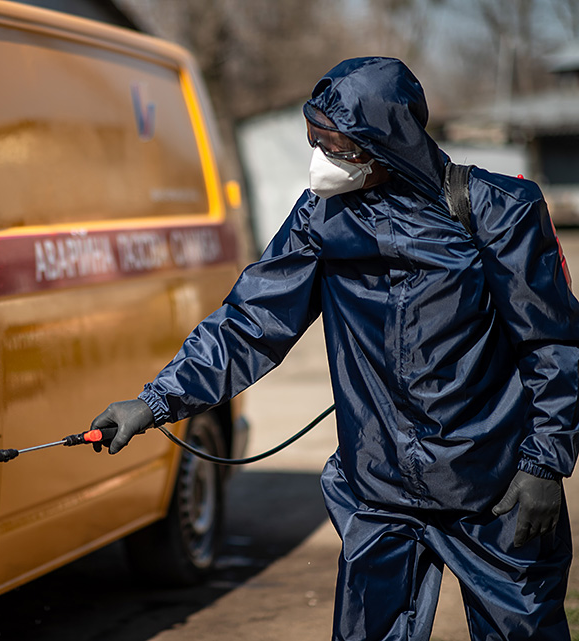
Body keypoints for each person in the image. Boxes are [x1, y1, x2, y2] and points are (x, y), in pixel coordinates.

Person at [91, 57, 579, 640]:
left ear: (386, 144)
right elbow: (250, 322)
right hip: (379, 493)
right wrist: (152, 404)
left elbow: (553, 344)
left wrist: (544, 466)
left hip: (493, 491)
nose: (320, 162)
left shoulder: (498, 212)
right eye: (312, 143)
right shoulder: (320, 220)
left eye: (335, 147)